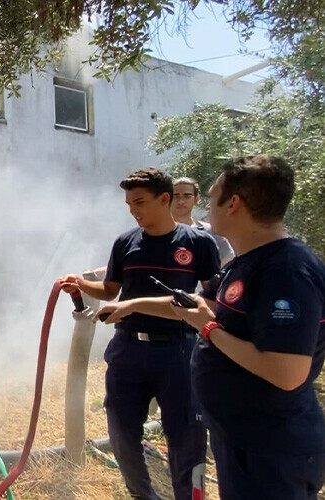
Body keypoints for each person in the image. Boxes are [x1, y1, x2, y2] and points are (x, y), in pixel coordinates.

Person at [167, 156, 325, 499]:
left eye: (211, 196)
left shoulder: (286, 270)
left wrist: (208, 329)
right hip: (243, 439)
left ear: (234, 203)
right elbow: (206, 305)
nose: (208, 206)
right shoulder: (246, 261)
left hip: (271, 449)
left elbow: (286, 371)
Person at [60, 168, 220, 500]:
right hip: (128, 351)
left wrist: (134, 305)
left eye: (140, 202)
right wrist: (79, 283)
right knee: (121, 434)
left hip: (179, 351)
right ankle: (143, 495)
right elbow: (109, 290)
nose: (134, 210)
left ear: (165, 199)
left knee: (187, 438)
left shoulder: (198, 243)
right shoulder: (125, 242)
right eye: (129, 204)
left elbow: (208, 299)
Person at [173, 177, 234, 266]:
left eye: (187, 196)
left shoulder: (210, 231)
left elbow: (228, 258)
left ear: (196, 199)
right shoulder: (156, 231)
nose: (181, 201)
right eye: (176, 196)